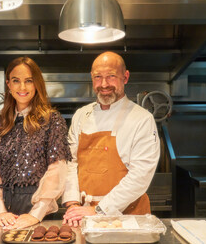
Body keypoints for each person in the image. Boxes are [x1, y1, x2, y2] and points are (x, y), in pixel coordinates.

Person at [62, 51, 160, 227]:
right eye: (98, 77)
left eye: (111, 76)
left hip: (128, 218)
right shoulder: (81, 116)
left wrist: (99, 210)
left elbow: (140, 176)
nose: (104, 84)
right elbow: (70, 163)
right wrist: (72, 203)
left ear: (126, 77)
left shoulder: (142, 119)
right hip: (84, 217)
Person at [0, 56, 71, 229]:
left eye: (28, 81)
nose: (22, 87)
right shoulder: (2, 122)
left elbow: (57, 169)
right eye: (16, 81)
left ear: (37, 84)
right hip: (5, 209)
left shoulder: (52, 120)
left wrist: (35, 214)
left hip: (39, 209)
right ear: (8, 84)